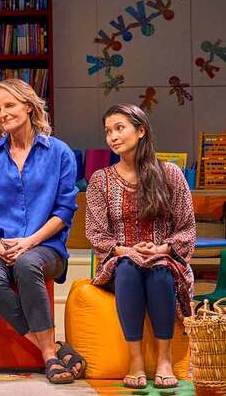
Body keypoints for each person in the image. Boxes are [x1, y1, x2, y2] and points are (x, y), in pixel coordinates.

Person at [0, 78, 83, 384]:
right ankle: (53, 350)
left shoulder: (59, 152)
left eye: (9, 105)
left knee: (26, 262)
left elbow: (64, 210)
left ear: (29, 106)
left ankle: (48, 356)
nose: (2, 113)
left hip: (45, 246)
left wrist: (29, 242)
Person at [86, 103, 195, 390]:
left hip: (164, 258)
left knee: (159, 271)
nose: (113, 136)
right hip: (119, 261)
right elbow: (96, 233)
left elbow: (187, 228)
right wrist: (125, 250)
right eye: (108, 131)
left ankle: (164, 360)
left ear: (141, 130)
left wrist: (163, 249)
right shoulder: (101, 180)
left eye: (120, 128)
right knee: (129, 270)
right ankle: (135, 361)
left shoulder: (170, 174)